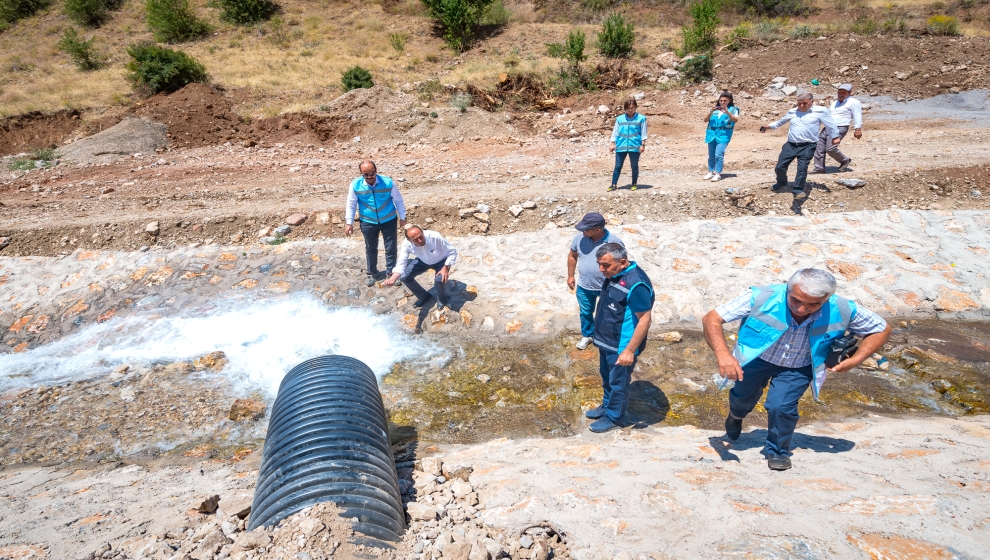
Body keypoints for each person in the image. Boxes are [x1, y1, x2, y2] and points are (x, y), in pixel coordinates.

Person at [701, 269, 891, 471]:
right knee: (742, 397)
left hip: (798, 366)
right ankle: (736, 415)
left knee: (781, 407)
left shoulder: (843, 308)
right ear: (787, 289)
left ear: (827, 298)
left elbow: (881, 329)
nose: (801, 309)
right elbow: (711, 318)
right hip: (757, 358)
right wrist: (723, 355)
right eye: (795, 300)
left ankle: (778, 451)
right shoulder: (761, 296)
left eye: (813, 304)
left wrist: (856, 360)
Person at [586, 243, 654, 433]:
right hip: (606, 341)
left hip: (620, 346)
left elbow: (644, 320)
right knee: (607, 378)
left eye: (605, 265)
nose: (601, 269)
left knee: (619, 383)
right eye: (599, 264)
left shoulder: (637, 283)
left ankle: (615, 417)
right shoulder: (614, 274)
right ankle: (607, 406)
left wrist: (629, 351)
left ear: (622, 262)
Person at [760, 92, 840, 195]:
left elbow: (831, 124)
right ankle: (782, 181)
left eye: (805, 103)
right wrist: (769, 126)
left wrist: (835, 136)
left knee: (802, 168)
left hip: (808, 145)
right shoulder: (792, 112)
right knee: (780, 167)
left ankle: (798, 190)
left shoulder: (821, 111)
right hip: (791, 145)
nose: (801, 106)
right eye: (799, 103)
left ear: (812, 102)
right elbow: (781, 122)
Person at [567, 213, 625, 351]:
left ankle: (606, 337)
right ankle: (587, 335)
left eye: (586, 229)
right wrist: (570, 276)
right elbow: (572, 257)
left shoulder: (614, 243)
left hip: (607, 286)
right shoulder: (579, 239)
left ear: (598, 229)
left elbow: (622, 265)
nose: (583, 231)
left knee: (608, 313)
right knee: (586, 312)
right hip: (584, 285)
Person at [344, 160, 407, 287]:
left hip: (388, 219)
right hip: (368, 221)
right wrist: (349, 222)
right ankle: (372, 272)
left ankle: (391, 273)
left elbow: (398, 200)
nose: (369, 177)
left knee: (390, 248)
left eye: (371, 173)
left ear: (376, 171)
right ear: (361, 174)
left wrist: (403, 217)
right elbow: (351, 204)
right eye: (365, 174)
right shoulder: (355, 185)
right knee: (371, 248)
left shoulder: (388, 182)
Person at [384, 226, 457, 310]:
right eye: (415, 239)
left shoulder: (434, 236)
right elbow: (401, 263)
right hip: (423, 261)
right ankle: (424, 296)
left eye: (420, 237)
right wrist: (392, 279)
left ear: (422, 232)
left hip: (441, 261)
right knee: (405, 277)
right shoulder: (406, 244)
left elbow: (452, 251)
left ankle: (442, 298)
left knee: (440, 279)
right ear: (409, 240)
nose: (420, 240)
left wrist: (445, 268)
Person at [811, 84, 863, 174]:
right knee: (819, 146)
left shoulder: (854, 102)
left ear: (850, 93)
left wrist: (857, 129)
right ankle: (819, 168)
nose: (841, 94)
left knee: (830, 148)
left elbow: (857, 115)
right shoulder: (835, 103)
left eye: (843, 93)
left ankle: (845, 160)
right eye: (839, 92)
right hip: (827, 127)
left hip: (840, 127)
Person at [608, 99, 648, 192]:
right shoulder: (619, 119)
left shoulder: (641, 118)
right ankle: (613, 184)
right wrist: (612, 143)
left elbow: (644, 133)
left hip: (635, 146)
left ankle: (634, 184)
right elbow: (615, 132)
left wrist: (643, 145)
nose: (630, 110)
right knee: (618, 166)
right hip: (621, 145)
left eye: (633, 108)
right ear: (625, 108)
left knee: (634, 166)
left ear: (636, 108)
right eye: (628, 108)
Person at [703, 91, 741, 183]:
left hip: (724, 134)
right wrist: (710, 112)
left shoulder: (733, 109)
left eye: (725, 101)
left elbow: (735, 120)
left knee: (719, 154)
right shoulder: (715, 109)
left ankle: (718, 173)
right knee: (711, 154)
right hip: (712, 134)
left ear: (730, 100)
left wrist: (727, 111)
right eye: (721, 101)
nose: (722, 102)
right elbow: (705, 120)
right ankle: (711, 171)